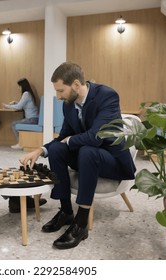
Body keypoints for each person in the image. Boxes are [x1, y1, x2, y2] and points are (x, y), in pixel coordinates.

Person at [19, 62, 136, 249]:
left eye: (60, 91)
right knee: (57, 149)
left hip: (112, 161)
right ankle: (66, 211)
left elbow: (96, 137)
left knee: (88, 150)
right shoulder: (68, 105)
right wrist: (40, 150)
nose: (58, 97)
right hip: (86, 156)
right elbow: (64, 137)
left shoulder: (107, 96)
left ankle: (81, 224)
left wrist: (70, 140)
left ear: (75, 85)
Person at [3, 78, 39, 149]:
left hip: (32, 119)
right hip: (34, 119)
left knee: (14, 124)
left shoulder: (26, 94)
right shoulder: (29, 93)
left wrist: (6, 106)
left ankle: (20, 143)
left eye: (19, 86)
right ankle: (21, 142)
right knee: (16, 123)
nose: (19, 88)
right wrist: (15, 102)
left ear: (22, 86)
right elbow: (22, 104)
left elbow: (19, 107)